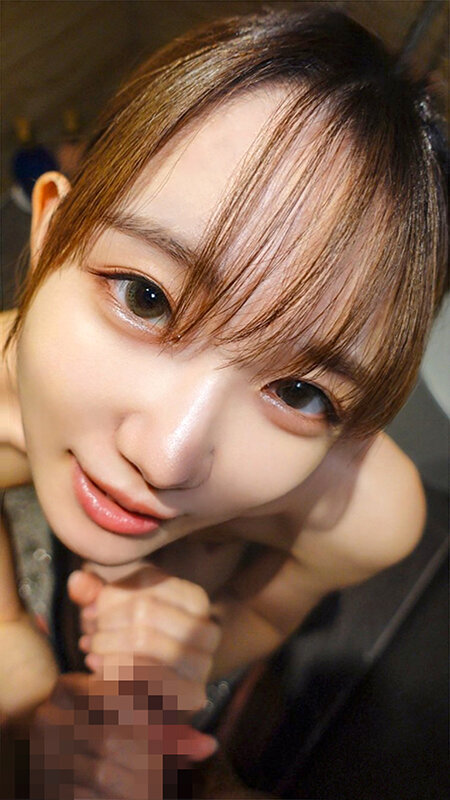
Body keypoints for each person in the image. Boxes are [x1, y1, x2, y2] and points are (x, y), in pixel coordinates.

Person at [0, 4, 447, 796]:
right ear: (49, 231)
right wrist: (28, 693)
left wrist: (196, 649)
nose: (166, 457)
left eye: (299, 391)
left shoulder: (364, 516)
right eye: (145, 297)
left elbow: (266, 616)